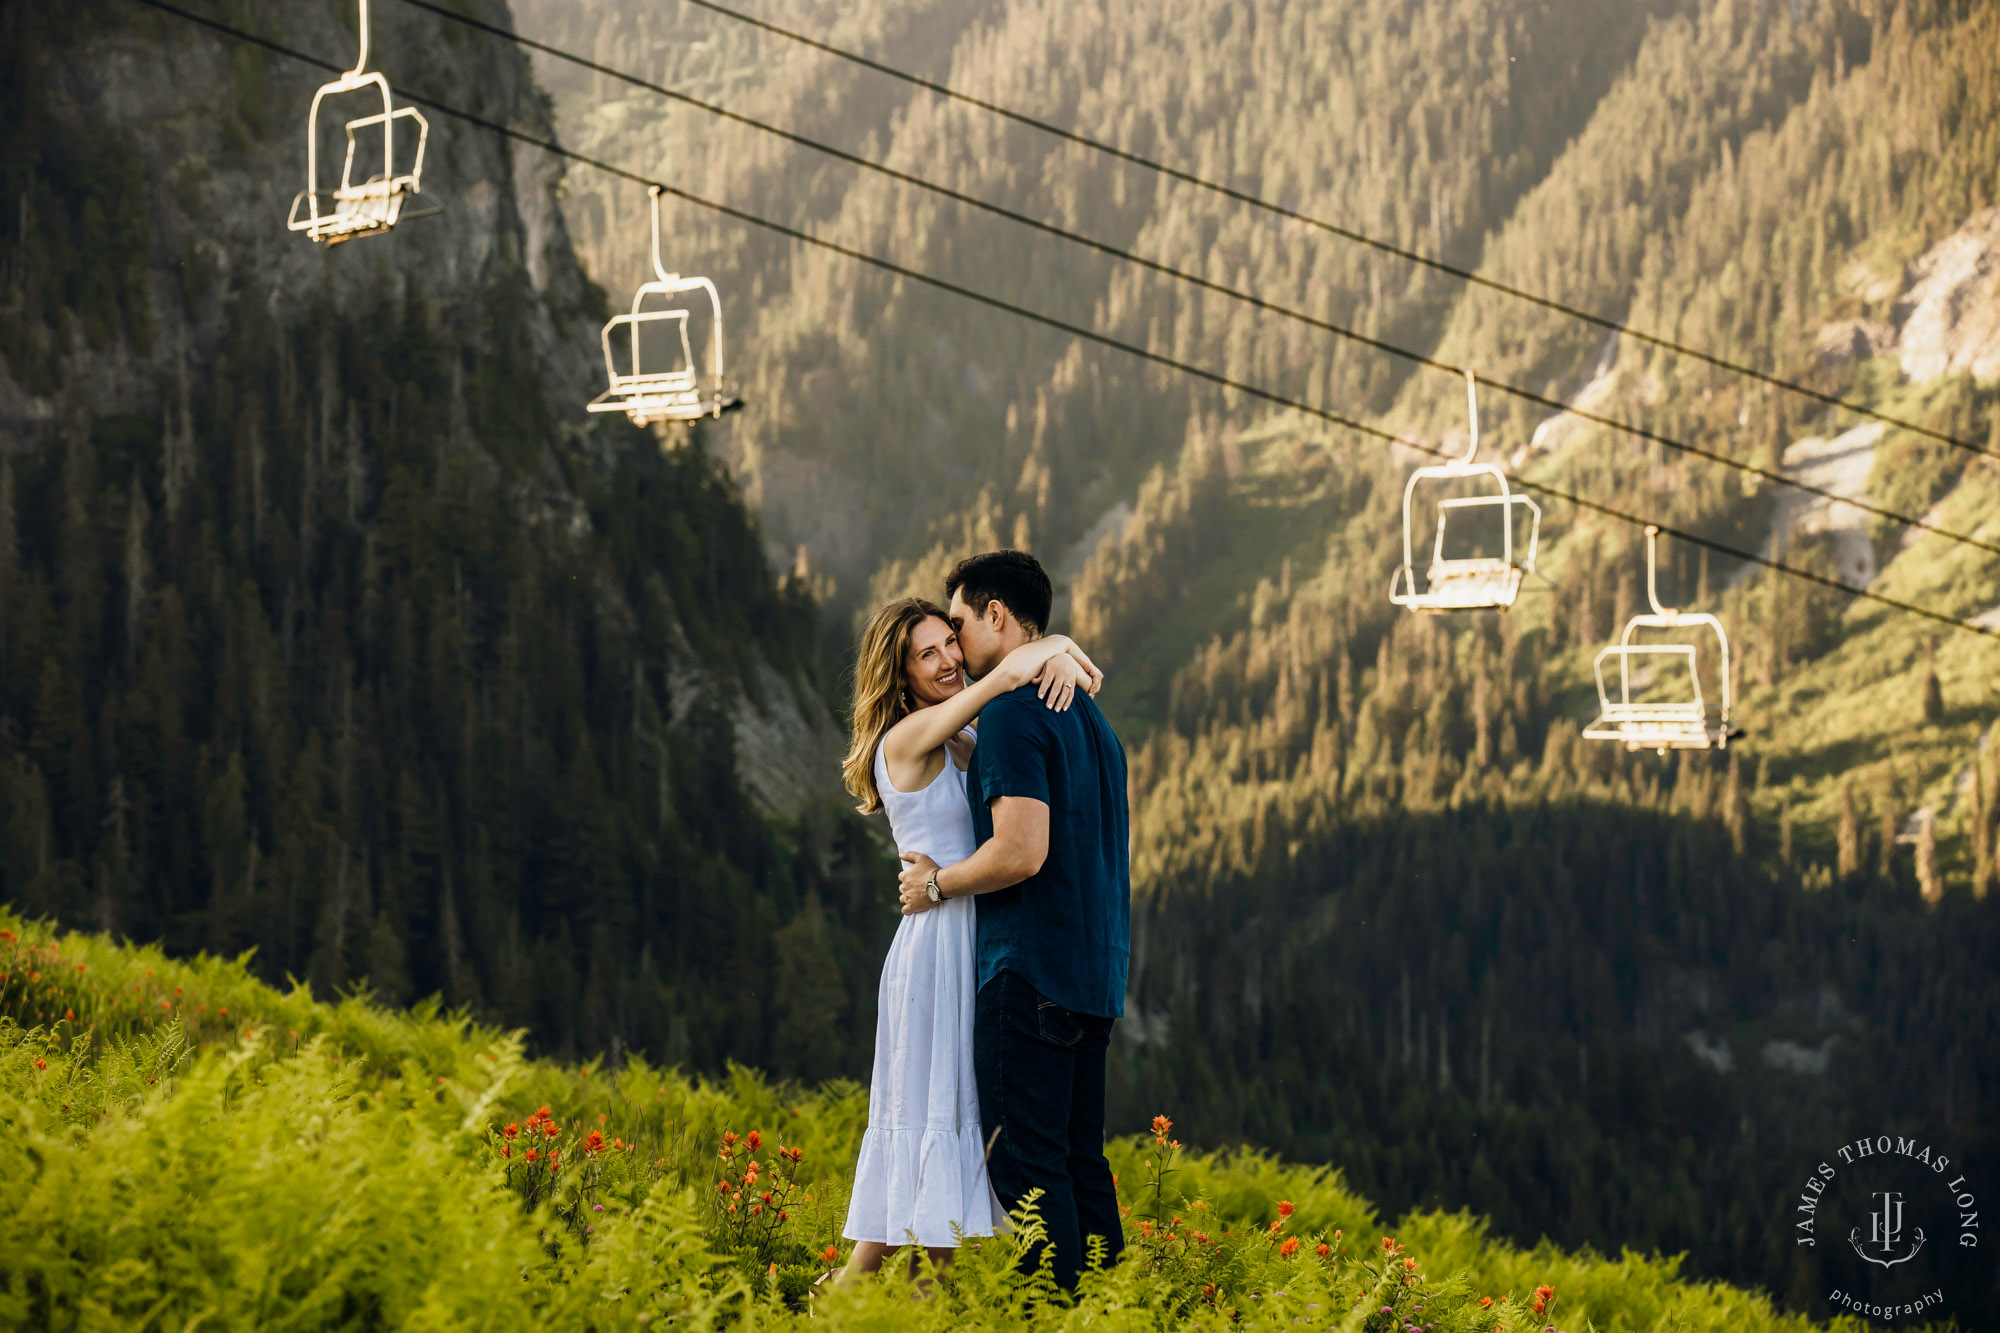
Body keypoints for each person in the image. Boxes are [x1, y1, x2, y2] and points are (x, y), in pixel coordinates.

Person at [836, 594, 1104, 1283]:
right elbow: (998, 681)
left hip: (970, 935)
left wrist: (1058, 646)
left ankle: (832, 1305)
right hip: (934, 948)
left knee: (948, 1139)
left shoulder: (962, 738)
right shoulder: (907, 737)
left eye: (949, 643)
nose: (950, 658)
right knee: (933, 1128)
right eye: (928, 653)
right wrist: (1051, 647)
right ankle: (844, 1306)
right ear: (900, 674)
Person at [896, 550, 1132, 1292]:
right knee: (1079, 1161)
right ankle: (1111, 1306)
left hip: (1028, 973)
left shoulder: (1010, 716)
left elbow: (1020, 852)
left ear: (996, 614)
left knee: (1027, 1168)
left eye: (958, 623)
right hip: (1095, 974)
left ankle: (1052, 1313)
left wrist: (937, 883)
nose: (956, 646)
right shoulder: (1093, 721)